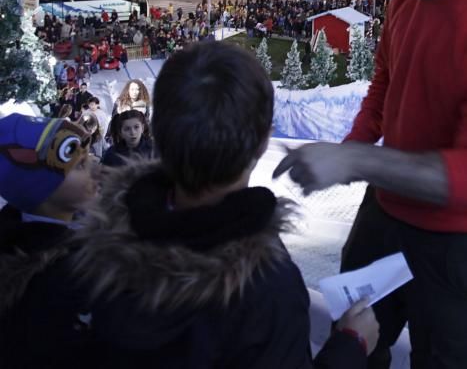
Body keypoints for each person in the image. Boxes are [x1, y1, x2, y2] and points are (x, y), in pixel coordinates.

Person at [73, 42, 377, 367]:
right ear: (263, 141)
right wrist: (351, 346)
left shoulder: (97, 245)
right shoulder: (266, 290)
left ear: (157, 132)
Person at [273, 0, 467, 369]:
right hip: (384, 216)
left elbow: (462, 178)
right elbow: (385, 84)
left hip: (453, 246)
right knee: (356, 342)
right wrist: (351, 149)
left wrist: (356, 164)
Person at [0, 114, 97, 368]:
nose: (95, 167)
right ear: (41, 190)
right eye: (80, 164)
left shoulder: (76, 227)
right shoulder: (57, 280)